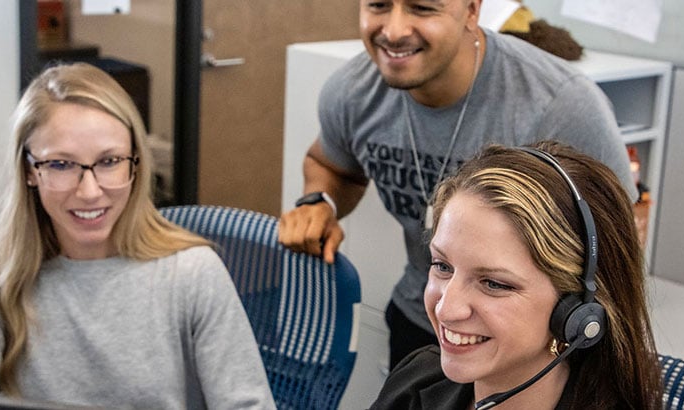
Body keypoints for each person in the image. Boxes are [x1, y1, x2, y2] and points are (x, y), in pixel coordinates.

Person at [277, 0, 638, 369]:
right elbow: (331, 164)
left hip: (533, 345)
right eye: (379, 5)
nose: (394, 30)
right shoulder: (353, 91)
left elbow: (616, 249)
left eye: (421, 8)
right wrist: (318, 203)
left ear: (471, 11)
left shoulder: (560, 105)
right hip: (422, 316)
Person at [0, 63, 276, 410]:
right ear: (30, 170)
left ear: (135, 164)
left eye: (109, 162)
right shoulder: (1, 268)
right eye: (61, 165)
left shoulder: (193, 275)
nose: (90, 192)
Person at [368, 141, 663, 409]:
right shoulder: (416, 380)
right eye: (442, 266)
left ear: (578, 313)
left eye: (494, 284)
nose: (446, 308)